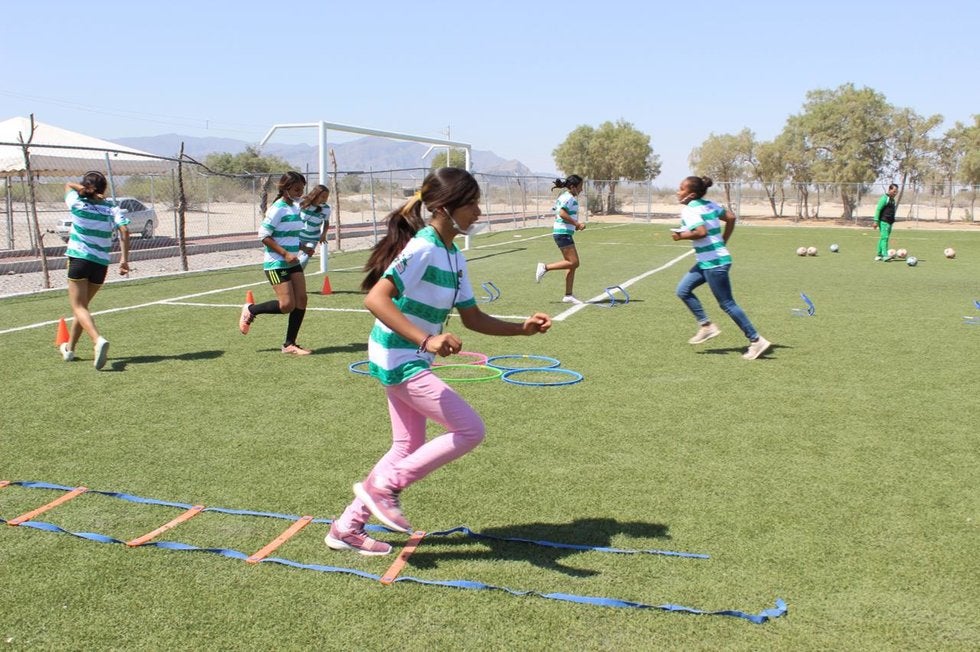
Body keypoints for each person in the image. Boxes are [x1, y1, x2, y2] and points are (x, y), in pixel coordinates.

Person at [327, 168, 552, 556]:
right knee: (470, 430)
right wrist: (428, 339)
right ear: (446, 209)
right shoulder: (423, 248)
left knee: (407, 443)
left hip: (411, 355)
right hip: (397, 355)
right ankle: (385, 487)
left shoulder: (454, 256)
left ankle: (347, 527)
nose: (479, 213)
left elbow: (473, 319)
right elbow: (375, 300)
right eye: (473, 204)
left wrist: (522, 330)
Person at [671, 176, 770, 361]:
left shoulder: (690, 209)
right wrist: (723, 241)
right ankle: (706, 326)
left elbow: (700, 232)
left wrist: (681, 236)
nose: (678, 192)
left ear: (690, 194)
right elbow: (731, 218)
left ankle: (756, 341)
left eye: (681, 189)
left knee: (727, 304)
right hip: (710, 260)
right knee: (683, 290)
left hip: (714, 263)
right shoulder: (709, 205)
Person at [60, 171, 130, 370]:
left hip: (79, 259)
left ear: (85, 186)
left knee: (79, 308)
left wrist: (79, 188)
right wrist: (124, 259)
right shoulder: (111, 208)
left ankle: (97, 340)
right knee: (83, 308)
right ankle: (70, 349)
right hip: (101, 264)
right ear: (104, 189)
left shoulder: (77, 203)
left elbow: (67, 185)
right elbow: (125, 230)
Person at [238, 171, 313, 355]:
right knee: (287, 305)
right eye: (296, 189)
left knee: (302, 299)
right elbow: (263, 235)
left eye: (302, 189)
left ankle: (289, 344)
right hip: (276, 263)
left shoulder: (295, 207)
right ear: (285, 188)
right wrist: (285, 254)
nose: (299, 192)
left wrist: (302, 247)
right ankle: (251, 310)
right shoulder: (277, 208)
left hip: (292, 260)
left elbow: (289, 235)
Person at [535, 175, 585, 303]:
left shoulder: (565, 197)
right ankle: (545, 267)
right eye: (580, 187)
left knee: (571, 265)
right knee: (574, 262)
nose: (581, 189)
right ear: (572, 187)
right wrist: (577, 224)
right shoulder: (567, 197)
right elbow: (561, 213)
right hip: (562, 233)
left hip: (564, 233)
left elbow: (558, 211)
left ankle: (568, 295)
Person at [297, 184, 331, 268]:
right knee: (289, 257)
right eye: (323, 196)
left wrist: (323, 235)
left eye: (326, 197)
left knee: (304, 259)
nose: (325, 199)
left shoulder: (326, 209)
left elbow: (326, 222)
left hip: (312, 238)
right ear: (316, 195)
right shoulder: (303, 203)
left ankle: (297, 274)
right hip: (298, 236)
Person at [873, 183, 898, 261]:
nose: (895, 193)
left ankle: (879, 254)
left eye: (896, 192)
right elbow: (878, 209)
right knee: (885, 238)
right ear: (889, 190)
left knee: (883, 238)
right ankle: (885, 255)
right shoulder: (884, 198)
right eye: (894, 191)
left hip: (889, 222)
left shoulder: (892, 200)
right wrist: (876, 221)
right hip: (884, 221)